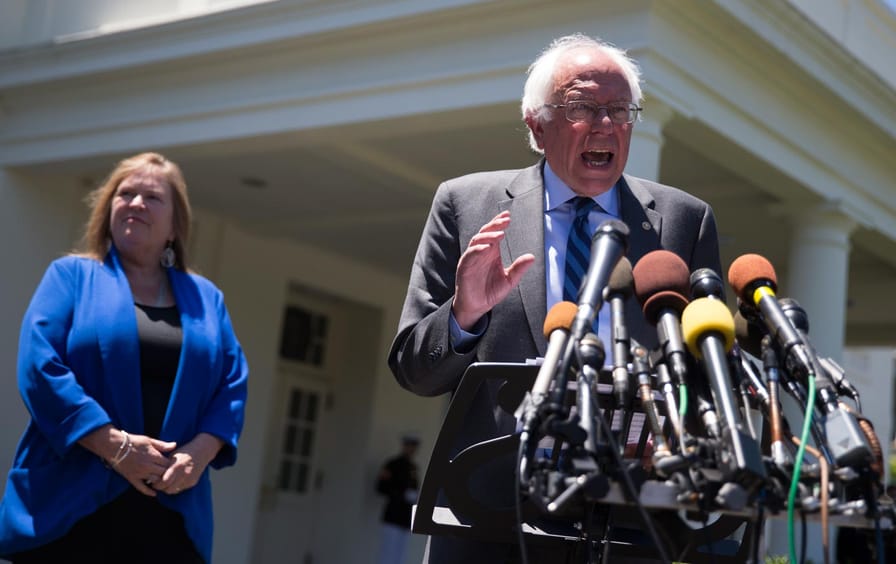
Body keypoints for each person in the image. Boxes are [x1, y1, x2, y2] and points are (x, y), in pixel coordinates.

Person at [387, 33, 722, 563]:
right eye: (582, 107)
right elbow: (415, 372)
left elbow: (706, 380)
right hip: (489, 520)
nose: (606, 124)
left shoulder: (684, 221)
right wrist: (464, 314)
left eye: (620, 110)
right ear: (537, 125)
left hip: (633, 523)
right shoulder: (465, 204)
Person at [0, 152, 249, 563]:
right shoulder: (71, 277)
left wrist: (199, 454)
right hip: (69, 510)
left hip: (170, 517)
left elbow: (232, 383)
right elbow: (39, 367)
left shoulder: (208, 299)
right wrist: (115, 447)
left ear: (175, 225)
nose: (136, 203)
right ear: (108, 209)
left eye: (152, 197)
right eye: (125, 193)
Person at [376, 435, 421, 564]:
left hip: (406, 518)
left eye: (414, 447)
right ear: (404, 446)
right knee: (388, 555)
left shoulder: (413, 467)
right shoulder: (393, 464)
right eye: (409, 446)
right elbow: (381, 487)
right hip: (393, 515)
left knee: (400, 557)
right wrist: (401, 494)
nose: (412, 449)